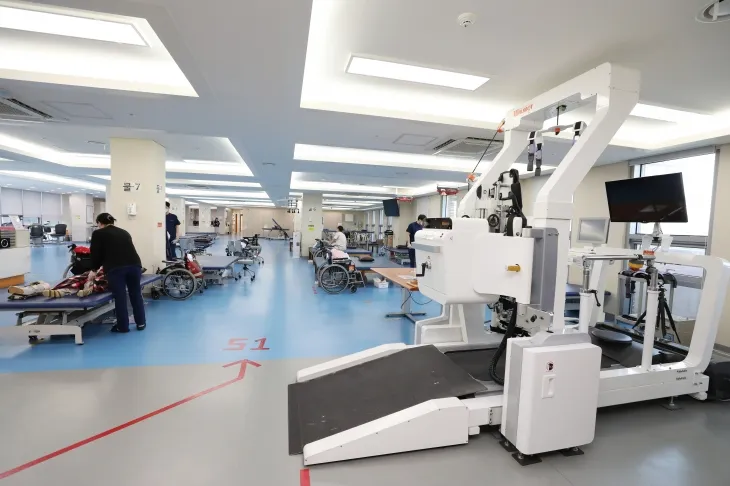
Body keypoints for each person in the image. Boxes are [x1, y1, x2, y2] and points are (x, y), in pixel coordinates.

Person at [89, 213, 146, 333]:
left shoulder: (98, 233)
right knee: (136, 294)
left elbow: (95, 253)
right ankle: (141, 323)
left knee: (120, 297)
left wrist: (94, 270)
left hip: (116, 268)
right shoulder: (124, 232)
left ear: (99, 223)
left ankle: (123, 327)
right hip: (135, 265)